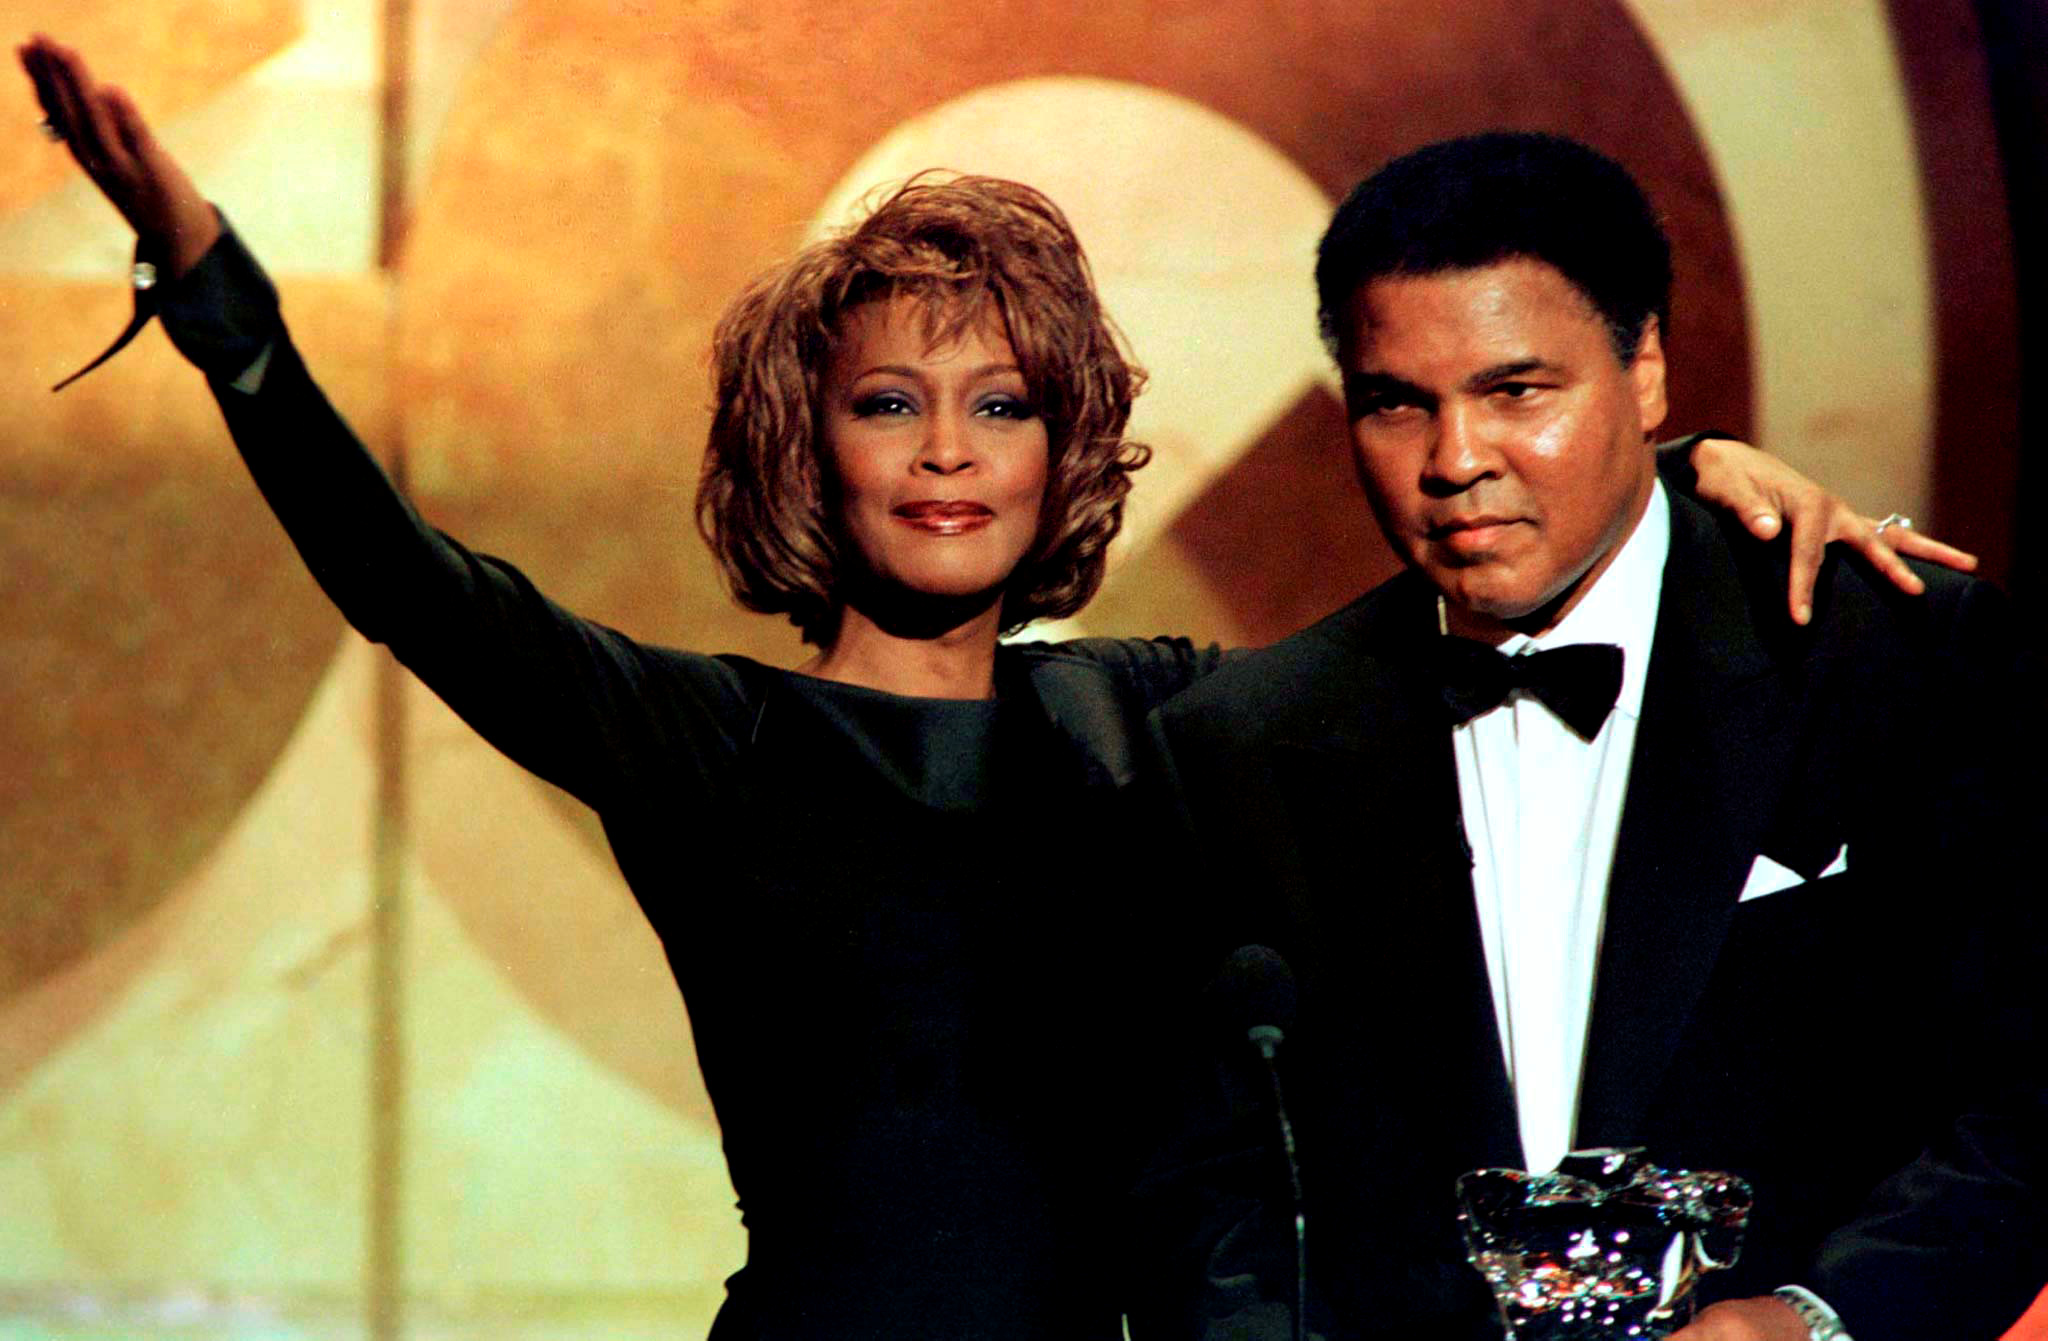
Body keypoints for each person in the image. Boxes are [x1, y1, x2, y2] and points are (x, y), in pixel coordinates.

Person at [17, 39, 1983, 1340]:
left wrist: (1706, 478)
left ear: (1065, 448)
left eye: (1000, 402)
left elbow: (1486, 593)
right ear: (816, 441)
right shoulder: (718, 744)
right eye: (891, 401)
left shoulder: (1155, 718)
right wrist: (222, 302)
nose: (947, 451)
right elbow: (413, 587)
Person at [1144, 132, 2046, 1341]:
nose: (1455, 462)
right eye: (1394, 404)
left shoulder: (1888, 657)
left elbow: (2025, 1092)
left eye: (1516, 391)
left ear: (1649, 372)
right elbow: (1217, 1201)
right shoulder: (1246, 741)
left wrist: (1821, 1318)